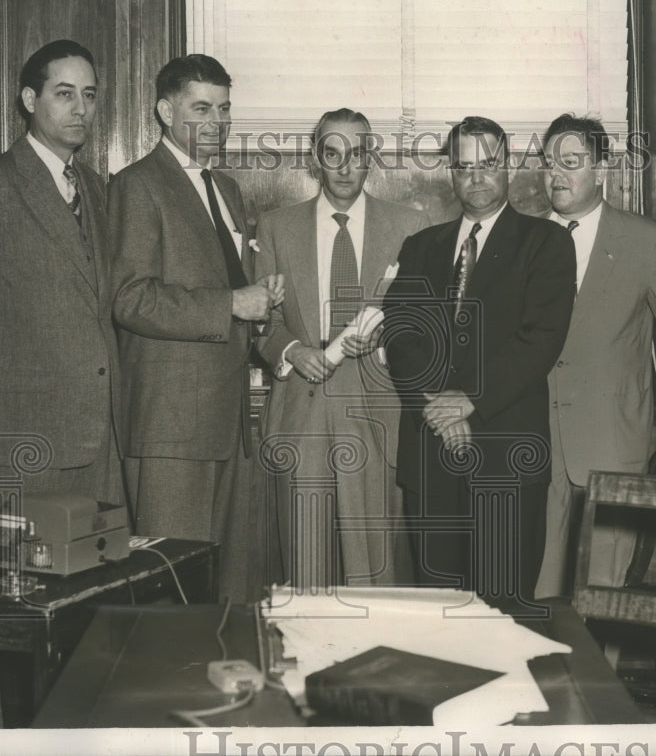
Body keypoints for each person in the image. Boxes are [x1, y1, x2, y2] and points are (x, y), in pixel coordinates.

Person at [109, 54, 283, 602]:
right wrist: (232, 303)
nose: (217, 121)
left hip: (228, 421)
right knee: (172, 591)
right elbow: (130, 298)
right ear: (165, 111)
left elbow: (227, 285)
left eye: (225, 108)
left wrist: (260, 305)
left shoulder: (227, 188)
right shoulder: (137, 185)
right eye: (201, 108)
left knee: (230, 587)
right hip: (170, 426)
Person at [384, 116, 576, 611]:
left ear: (507, 166)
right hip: (432, 462)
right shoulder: (420, 248)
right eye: (463, 166)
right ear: (450, 172)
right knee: (437, 620)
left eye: (487, 164)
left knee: (503, 616)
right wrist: (441, 410)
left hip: (506, 462)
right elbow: (403, 338)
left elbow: (539, 341)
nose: (476, 176)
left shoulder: (546, 243)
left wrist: (467, 401)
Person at [0, 39, 124, 507]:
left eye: (90, 95)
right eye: (65, 93)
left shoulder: (95, 188)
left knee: (94, 579)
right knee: (18, 578)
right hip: (15, 442)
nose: (81, 108)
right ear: (30, 100)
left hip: (96, 443)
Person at [255, 109, 430, 589]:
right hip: (301, 415)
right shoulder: (276, 226)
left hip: (378, 412)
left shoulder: (409, 226)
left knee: (375, 569)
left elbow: (425, 322)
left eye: (356, 154)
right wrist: (290, 350)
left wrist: (389, 339)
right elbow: (260, 323)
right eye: (333, 154)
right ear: (316, 160)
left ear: (370, 158)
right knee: (306, 566)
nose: (345, 167)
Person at [534, 114, 656, 599]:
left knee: (602, 599)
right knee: (538, 597)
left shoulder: (645, 242)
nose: (556, 174)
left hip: (610, 448)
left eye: (571, 162)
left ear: (601, 170)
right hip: (535, 449)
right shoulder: (522, 240)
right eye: (547, 163)